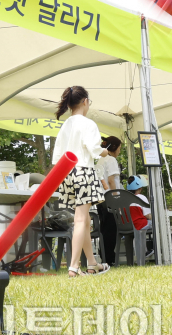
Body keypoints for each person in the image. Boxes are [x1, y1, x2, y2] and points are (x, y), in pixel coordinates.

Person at [51, 85, 111, 277]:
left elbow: (57, 156)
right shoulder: (88, 124)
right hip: (84, 171)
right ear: (85, 101)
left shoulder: (66, 124)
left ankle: (92, 263)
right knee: (81, 220)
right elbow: (94, 149)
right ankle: (74, 267)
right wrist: (105, 151)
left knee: (84, 221)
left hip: (67, 173)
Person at [95, 136, 123, 265]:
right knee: (111, 230)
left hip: (100, 199)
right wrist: (116, 199)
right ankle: (110, 259)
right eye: (119, 148)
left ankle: (105, 257)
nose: (119, 151)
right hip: (109, 198)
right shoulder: (111, 160)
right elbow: (112, 181)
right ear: (115, 148)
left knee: (104, 229)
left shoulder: (100, 160)